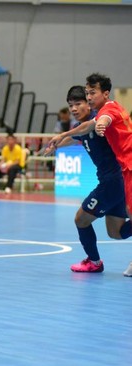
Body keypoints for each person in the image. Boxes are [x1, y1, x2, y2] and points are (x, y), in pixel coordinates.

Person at [45, 86, 132, 273]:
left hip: (112, 182)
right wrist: (58, 144)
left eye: (78, 104)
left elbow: (87, 128)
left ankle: (94, 262)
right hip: (116, 184)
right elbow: (78, 135)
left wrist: (62, 134)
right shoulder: (81, 127)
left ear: (88, 103)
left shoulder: (97, 119)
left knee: (81, 219)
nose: (74, 109)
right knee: (115, 232)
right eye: (70, 106)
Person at [86, 73, 132, 276]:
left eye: (92, 92)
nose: (88, 97)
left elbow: (104, 119)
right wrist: (63, 136)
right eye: (87, 92)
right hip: (127, 168)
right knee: (117, 230)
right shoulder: (108, 108)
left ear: (105, 93)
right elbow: (91, 124)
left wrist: (101, 124)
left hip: (130, 166)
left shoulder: (108, 110)